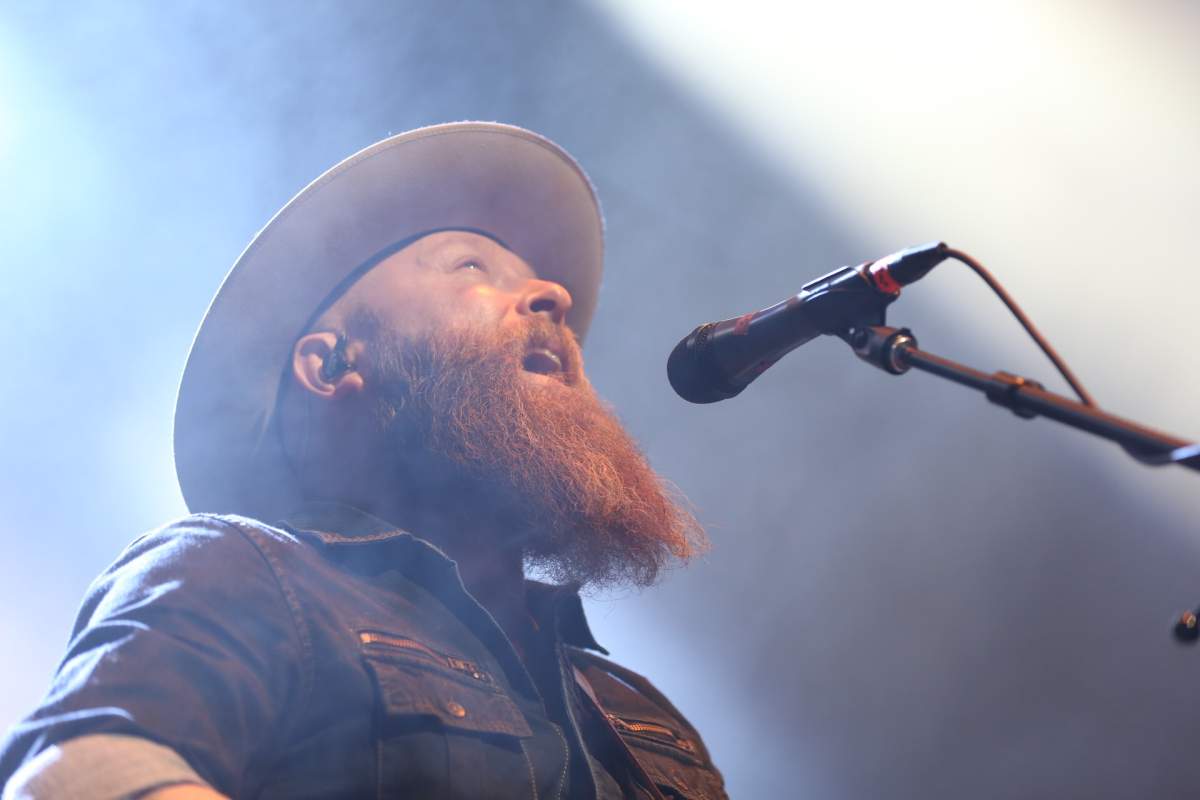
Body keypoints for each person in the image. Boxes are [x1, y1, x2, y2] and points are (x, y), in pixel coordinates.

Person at [0, 122, 727, 799]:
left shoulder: (637, 710)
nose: (553, 295)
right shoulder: (247, 570)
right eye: (473, 265)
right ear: (334, 364)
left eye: (536, 280)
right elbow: (77, 773)